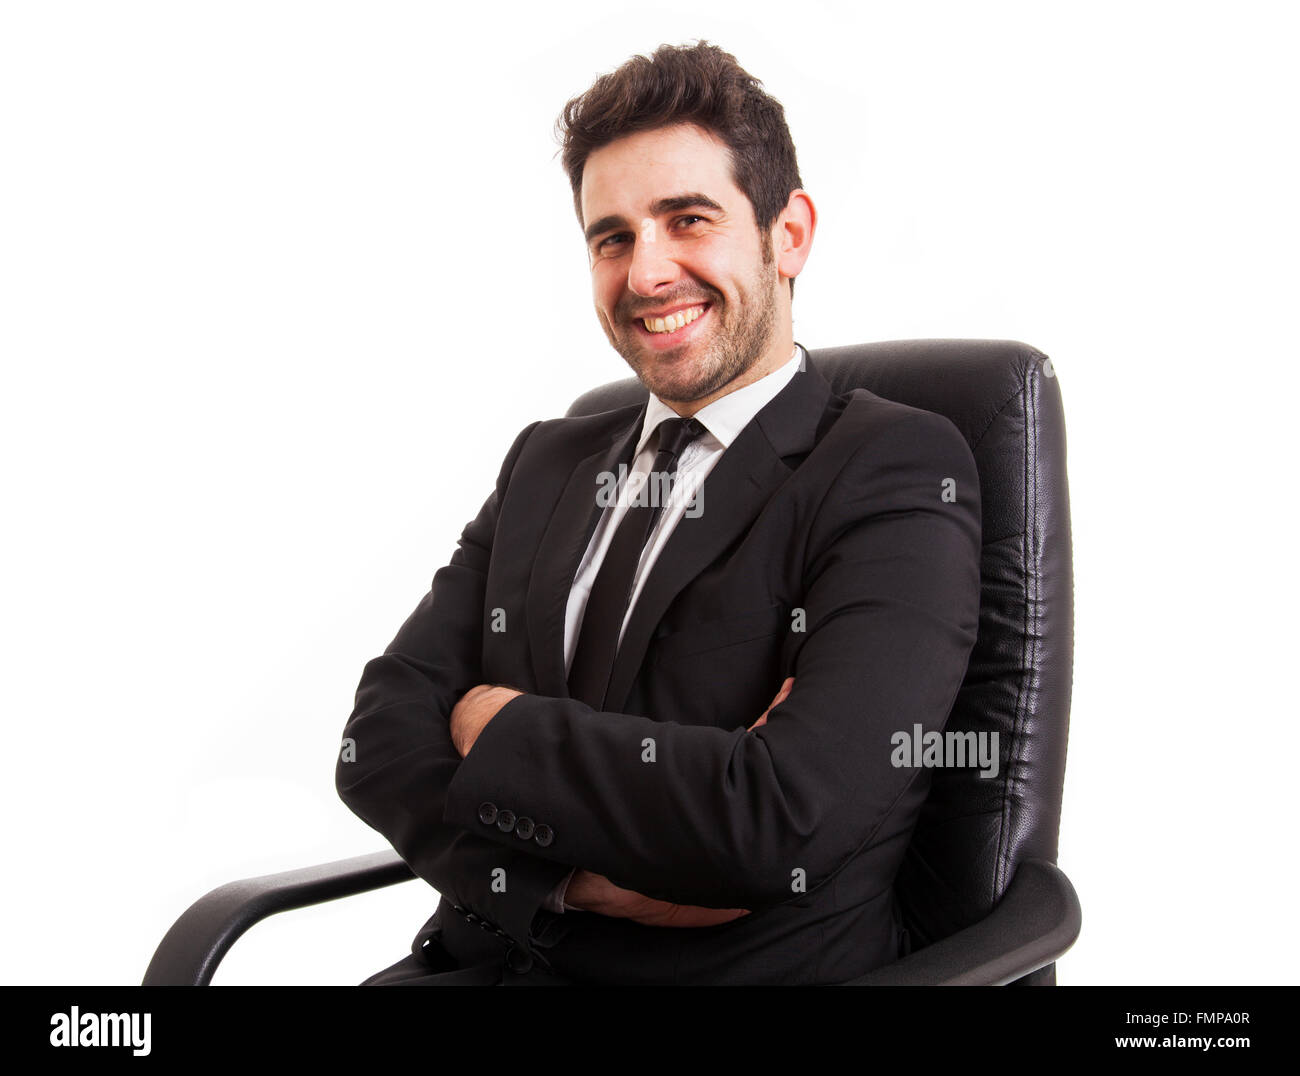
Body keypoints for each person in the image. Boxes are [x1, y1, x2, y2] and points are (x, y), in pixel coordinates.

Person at [336, 39, 981, 986]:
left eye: (688, 219)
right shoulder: (547, 460)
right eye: (613, 237)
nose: (645, 274)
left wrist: (491, 720)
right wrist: (562, 886)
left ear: (788, 232)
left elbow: (778, 818)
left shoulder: (894, 468)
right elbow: (379, 737)